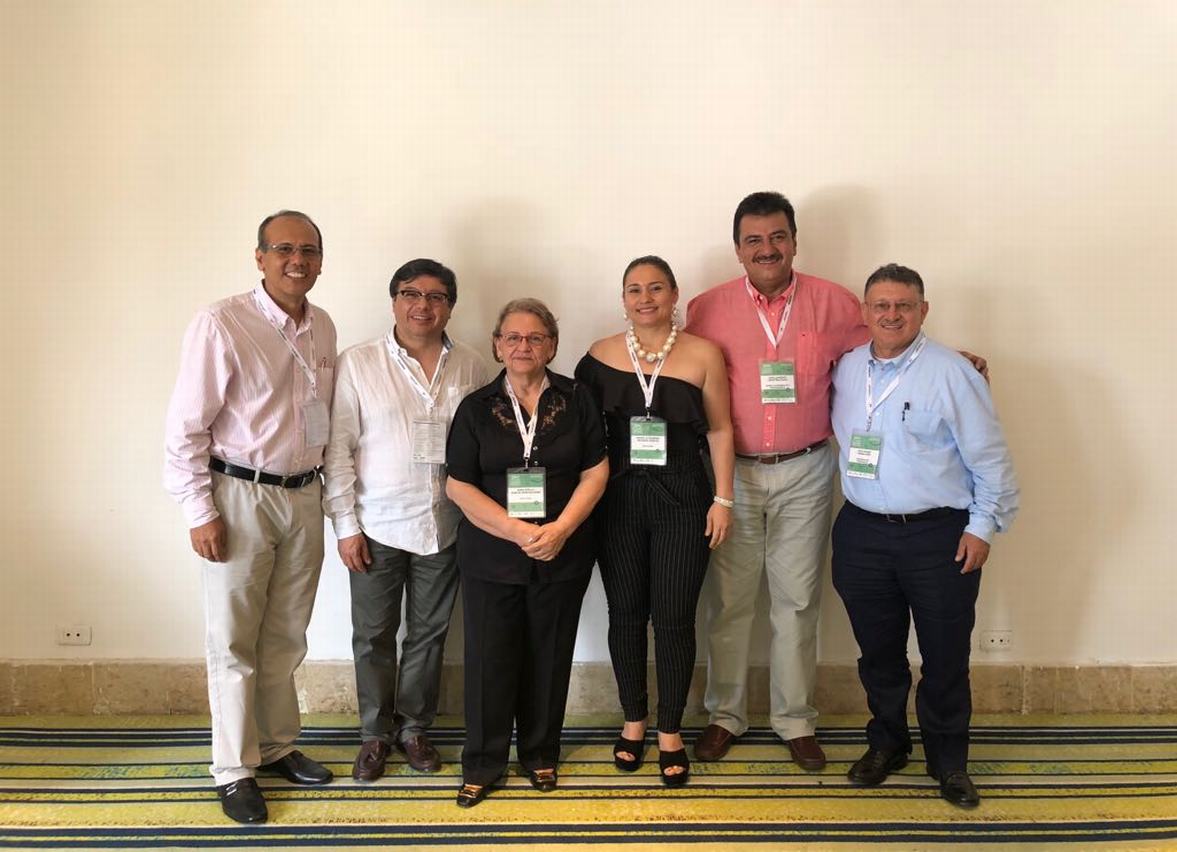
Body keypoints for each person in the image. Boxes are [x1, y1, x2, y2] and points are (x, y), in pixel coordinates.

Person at [164, 210, 337, 824]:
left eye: (309, 250)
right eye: (284, 249)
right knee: (233, 639)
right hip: (239, 495)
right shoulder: (222, 323)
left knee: (286, 635)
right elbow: (185, 429)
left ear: (321, 261)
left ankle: (277, 745)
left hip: (304, 494)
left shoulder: (323, 326)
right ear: (259, 257)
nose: (297, 260)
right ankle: (234, 769)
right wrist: (200, 511)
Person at [685, 192, 868, 770]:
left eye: (777, 237)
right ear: (738, 249)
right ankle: (725, 716)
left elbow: (881, 359)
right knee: (729, 603)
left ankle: (795, 721)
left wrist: (951, 360)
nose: (767, 249)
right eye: (754, 240)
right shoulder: (706, 309)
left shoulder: (836, 303)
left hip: (807, 470)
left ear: (794, 241)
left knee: (797, 602)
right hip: (730, 475)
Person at [830, 264, 1017, 807]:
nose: (891, 315)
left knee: (944, 656)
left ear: (923, 311)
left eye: (903, 306)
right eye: (881, 305)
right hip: (862, 532)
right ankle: (888, 744)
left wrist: (982, 528)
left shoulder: (952, 372)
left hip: (939, 535)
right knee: (878, 655)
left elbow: (991, 460)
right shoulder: (846, 368)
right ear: (864, 312)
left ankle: (949, 761)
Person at [323, 259, 490, 782]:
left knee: (429, 635)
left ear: (450, 307)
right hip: (376, 524)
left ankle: (414, 728)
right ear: (394, 300)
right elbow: (338, 449)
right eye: (411, 294)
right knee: (373, 635)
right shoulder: (358, 362)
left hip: (445, 524)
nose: (423, 305)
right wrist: (346, 526)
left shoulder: (472, 366)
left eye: (437, 296)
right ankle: (374, 734)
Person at [575, 256, 734, 786]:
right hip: (616, 499)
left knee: (674, 618)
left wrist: (723, 499)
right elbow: (582, 436)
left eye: (656, 288)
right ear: (623, 299)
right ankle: (633, 720)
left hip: (684, 497)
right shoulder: (599, 355)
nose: (646, 298)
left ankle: (670, 729)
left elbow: (720, 430)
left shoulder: (704, 353)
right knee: (624, 615)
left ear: (674, 294)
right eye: (635, 290)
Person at [445, 298, 609, 807]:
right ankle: (483, 762)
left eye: (535, 337)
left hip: (563, 550)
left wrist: (560, 529)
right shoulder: (474, 407)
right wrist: (518, 531)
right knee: (488, 660)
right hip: (492, 555)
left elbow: (595, 471)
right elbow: (458, 485)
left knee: (550, 655)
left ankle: (540, 753)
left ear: (551, 346)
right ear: (497, 345)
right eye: (513, 337)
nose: (523, 346)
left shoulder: (578, 399)